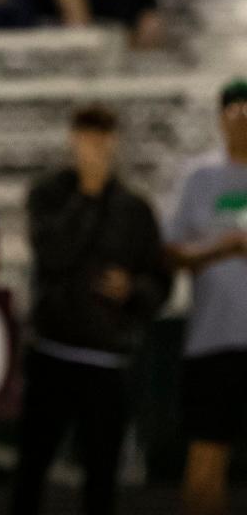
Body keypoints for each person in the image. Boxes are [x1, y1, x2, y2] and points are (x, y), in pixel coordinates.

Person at [12, 104, 172, 515]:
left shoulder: (136, 209)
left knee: (101, 479)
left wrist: (131, 290)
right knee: (31, 470)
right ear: (73, 139)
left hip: (107, 359)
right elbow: (52, 255)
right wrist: (86, 195)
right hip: (51, 351)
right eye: (86, 135)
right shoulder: (48, 194)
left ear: (114, 141)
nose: (94, 145)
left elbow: (161, 280)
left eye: (102, 136)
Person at [166, 80, 247, 515]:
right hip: (213, 339)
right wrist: (223, 246)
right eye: (234, 110)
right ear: (221, 118)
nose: (243, 118)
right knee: (206, 456)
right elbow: (170, 250)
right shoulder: (201, 179)